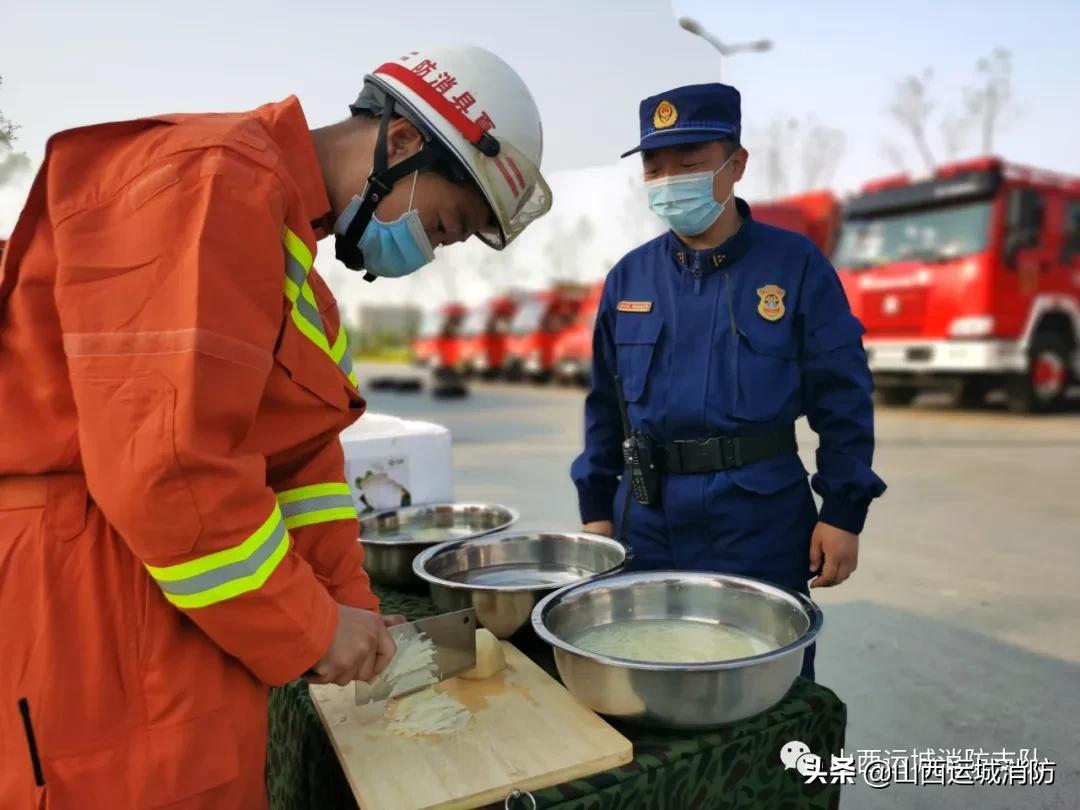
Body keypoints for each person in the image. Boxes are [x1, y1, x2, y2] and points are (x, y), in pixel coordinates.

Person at [0, 45, 549, 808]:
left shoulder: (290, 265)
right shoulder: (209, 184)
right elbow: (165, 471)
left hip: (182, 588)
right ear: (400, 144)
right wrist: (313, 627)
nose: (427, 252)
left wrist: (351, 606)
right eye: (443, 225)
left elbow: (300, 469)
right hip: (92, 595)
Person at [570, 83, 884, 680]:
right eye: (654, 167)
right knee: (647, 673)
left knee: (767, 687)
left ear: (735, 165)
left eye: (688, 165)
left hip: (758, 521)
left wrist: (844, 510)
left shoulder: (794, 266)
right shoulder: (628, 278)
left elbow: (843, 395)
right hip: (648, 517)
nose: (668, 181)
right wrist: (595, 511)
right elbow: (604, 405)